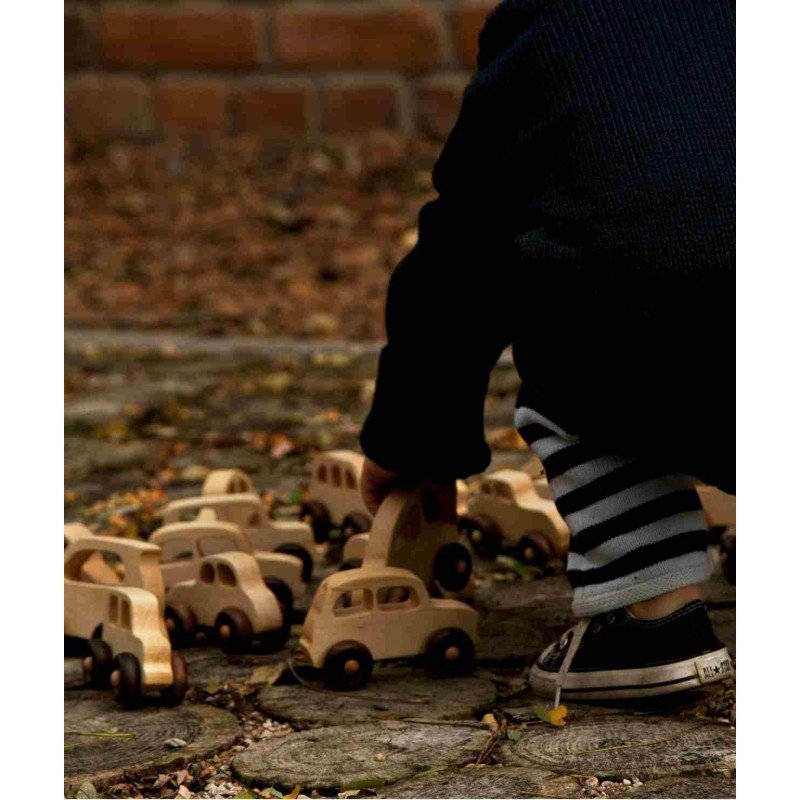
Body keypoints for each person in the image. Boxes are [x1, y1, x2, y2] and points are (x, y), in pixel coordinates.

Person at [359, 0, 734, 701]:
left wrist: (415, 440)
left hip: (660, 350)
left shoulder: (550, 26)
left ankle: (648, 610)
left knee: (562, 300)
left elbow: (462, 252)